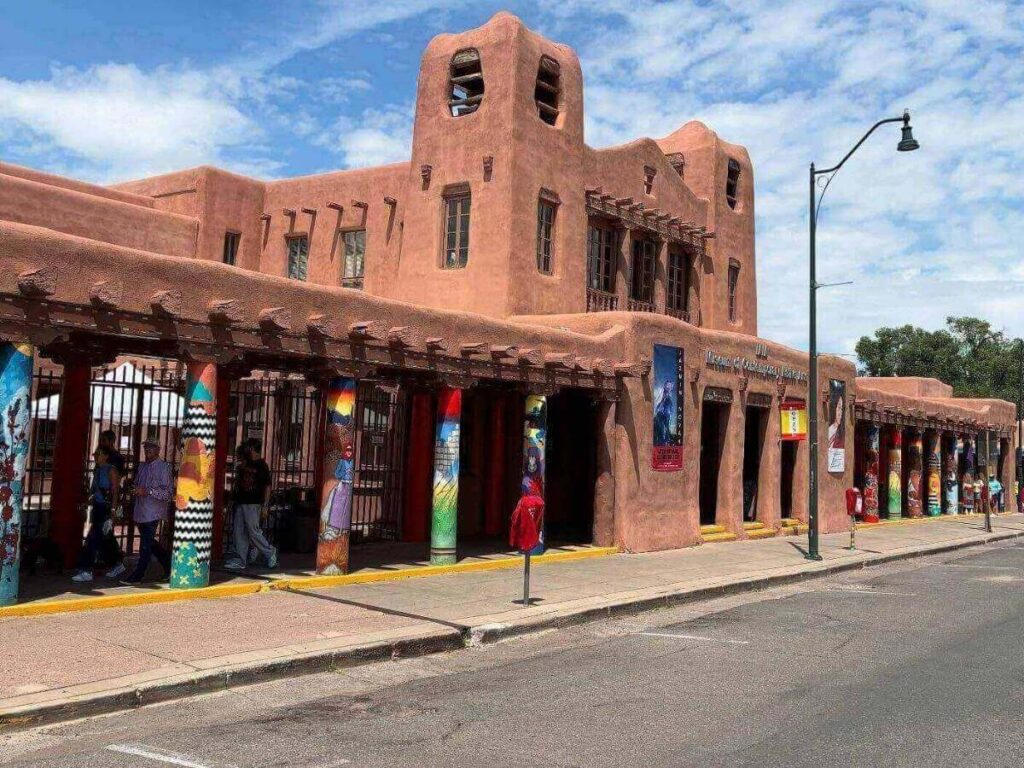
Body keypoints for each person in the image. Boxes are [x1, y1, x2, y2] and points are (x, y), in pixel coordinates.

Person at [121, 438, 173, 583]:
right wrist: (134, 489)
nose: (147, 450)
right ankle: (168, 564)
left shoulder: (164, 468)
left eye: (151, 448)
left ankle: (138, 574)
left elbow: (168, 493)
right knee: (149, 542)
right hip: (140, 510)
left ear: (158, 449)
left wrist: (148, 491)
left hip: (154, 511)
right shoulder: (142, 467)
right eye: (146, 448)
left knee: (145, 545)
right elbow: (137, 484)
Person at [72, 446, 127, 581]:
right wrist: (88, 502)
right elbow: (95, 492)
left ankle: (86, 570)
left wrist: (113, 512)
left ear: (106, 456)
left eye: (99, 454)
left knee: (93, 537)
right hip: (97, 506)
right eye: (95, 454)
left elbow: (115, 492)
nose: (96, 456)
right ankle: (116, 564)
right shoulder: (97, 470)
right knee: (105, 539)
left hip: (106, 509)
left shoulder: (111, 470)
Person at [225, 439, 277, 570]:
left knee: (253, 531)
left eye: (250, 449)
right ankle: (241, 560)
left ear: (254, 449)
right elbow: (237, 484)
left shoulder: (261, 466)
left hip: (254, 503)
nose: (248, 451)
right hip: (241, 501)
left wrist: (265, 505)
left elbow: (267, 486)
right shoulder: (245, 463)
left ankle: (270, 552)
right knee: (239, 531)